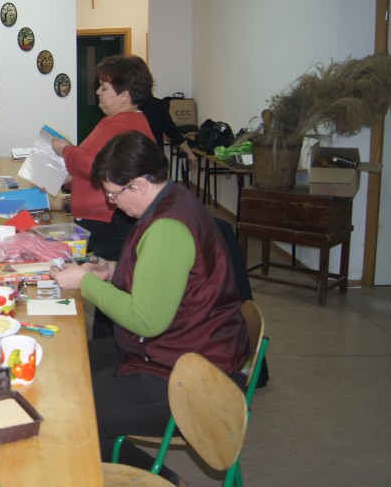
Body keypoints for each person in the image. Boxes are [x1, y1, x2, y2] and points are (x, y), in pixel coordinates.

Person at [49, 131, 250, 485]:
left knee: (73, 410)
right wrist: (111, 271)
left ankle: (160, 481)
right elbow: (164, 282)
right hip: (182, 346)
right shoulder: (174, 200)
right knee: (69, 366)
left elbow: (145, 320)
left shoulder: (167, 229)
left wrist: (86, 283)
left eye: (113, 193)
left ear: (139, 184)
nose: (111, 203)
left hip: (194, 378)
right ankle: (149, 473)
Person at [51, 54, 156, 338]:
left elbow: (89, 162)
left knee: (111, 289)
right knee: (108, 281)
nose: (97, 92)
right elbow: (97, 166)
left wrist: (63, 149)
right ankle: (106, 348)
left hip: (110, 222)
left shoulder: (120, 123)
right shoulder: (118, 120)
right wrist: (73, 179)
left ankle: (107, 351)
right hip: (106, 220)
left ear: (124, 95)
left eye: (104, 87)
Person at [138, 95, 197, 179]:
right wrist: (189, 152)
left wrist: (189, 152)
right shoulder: (158, 104)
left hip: (132, 158)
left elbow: (172, 131)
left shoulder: (126, 105)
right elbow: (172, 131)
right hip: (154, 157)